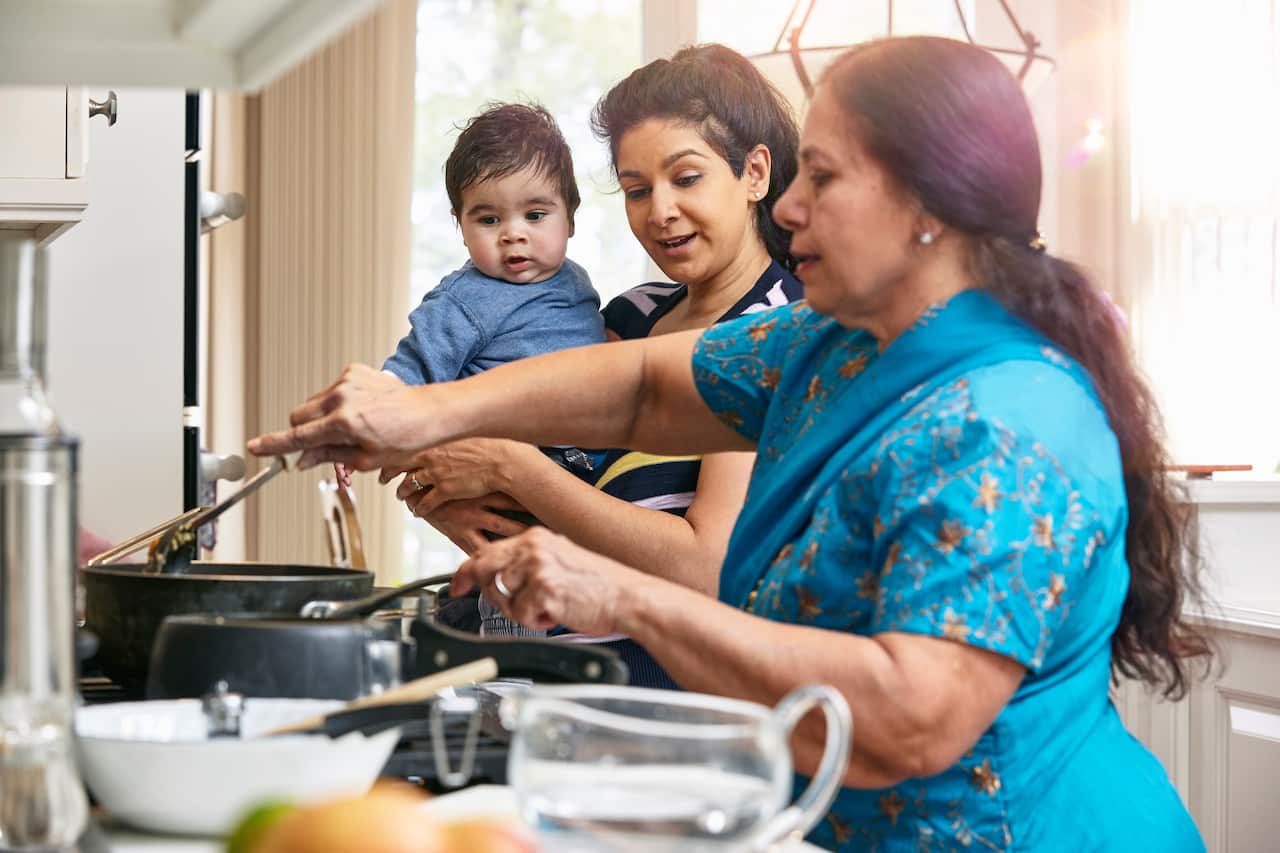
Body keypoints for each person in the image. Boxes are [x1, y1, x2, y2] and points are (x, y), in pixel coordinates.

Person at [251, 36, 1209, 852]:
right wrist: (424, 411)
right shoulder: (835, 341)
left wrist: (618, 591)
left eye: (821, 177)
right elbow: (644, 386)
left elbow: (904, 719)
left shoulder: (1004, 421)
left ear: (928, 205)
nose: (786, 205)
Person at [385, 45, 803, 666]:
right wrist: (446, 499)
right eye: (637, 190)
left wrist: (509, 468)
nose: (660, 212)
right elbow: (540, 482)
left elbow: (706, 567)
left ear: (755, 174)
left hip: (667, 691)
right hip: (553, 674)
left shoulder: (778, 334)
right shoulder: (629, 316)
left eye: (686, 178)